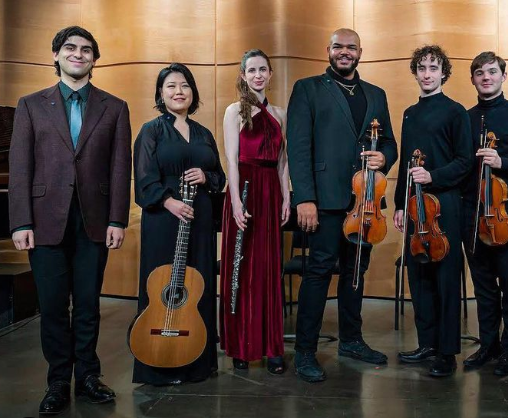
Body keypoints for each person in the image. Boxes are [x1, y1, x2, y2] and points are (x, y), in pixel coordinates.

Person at [9, 26, 131, 415]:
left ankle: (89, 375)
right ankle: (59, 380)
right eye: (70, 48)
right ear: (57, 56)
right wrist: (19, 222)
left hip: (94, 221)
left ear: (95, 59)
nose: (78, 54)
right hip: (43, 221)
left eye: (86, 50)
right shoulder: (30, 105)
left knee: (90, 304)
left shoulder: (115, 107)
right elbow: (20, 167)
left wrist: (118, 219)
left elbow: (119, 169)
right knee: (53, 305)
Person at [286, 28, 398, 383]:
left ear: (360, 52)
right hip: (325, 198)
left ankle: (351, 340)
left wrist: (385, 157)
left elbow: (391, 144)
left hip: (365, 201)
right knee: (318, 273)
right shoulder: (307, 88)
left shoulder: (376, 94)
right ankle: (305, 351)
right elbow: (298, 146)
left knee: (355, 273)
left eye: (351, 47)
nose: (344, 52)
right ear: (329, 51)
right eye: (338, 47)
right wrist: (305, 198)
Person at [132, 63, 226, 386]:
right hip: (163, 218)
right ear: (161, 94)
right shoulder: (151, 131)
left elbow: (221, 178)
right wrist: (170, 202)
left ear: (192, 92)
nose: (178, 92)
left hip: (199, 222)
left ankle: (197, 363)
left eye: (184, 86)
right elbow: (143, 180)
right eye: (170, 86)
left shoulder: (204, 133)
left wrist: (206, 176)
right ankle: (157, 362)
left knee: (198, 285)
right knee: (161, 287)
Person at [394, 45, 473, 378]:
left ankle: (447, 352)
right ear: (415, 72)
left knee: (444, 278)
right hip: (415, 205)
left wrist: (434, 176)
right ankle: (426, 342)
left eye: (433, 68)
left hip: (446, 206)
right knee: (419, 276)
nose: (427, 73)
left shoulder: (456, 112)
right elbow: (405, 164)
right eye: (421, 68)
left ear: (444, 73)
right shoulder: (410, 113)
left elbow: (465, 162)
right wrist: (399, 204)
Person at [460, 52, 508, 376]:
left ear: (504, 77)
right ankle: (488, 345)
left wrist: (502, 162)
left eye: (492, 72)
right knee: (482, 286)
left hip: (506, 215)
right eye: (480, 73)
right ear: (473, 79)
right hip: (472, 212)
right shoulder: (464, 118)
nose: (486, 77)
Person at [218, 49, 290, 375]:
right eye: (252, 70)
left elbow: (283, 162)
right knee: (242, 270)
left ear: (270, 74)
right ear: (243, 75)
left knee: (269, 268)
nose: (258, 75)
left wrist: (287, 198)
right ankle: (243, 346)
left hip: (272, 192)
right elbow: (231, 161)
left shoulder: (280, 113)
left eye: (263, 69)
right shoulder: (234, 110)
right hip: (244, 190)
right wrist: (234, 202)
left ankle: (273, 346)